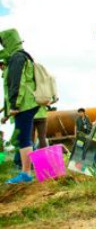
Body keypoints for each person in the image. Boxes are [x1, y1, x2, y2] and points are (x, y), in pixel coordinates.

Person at [0, 29, 40, 183]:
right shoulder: (20, 55)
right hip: (27, 103)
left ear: (9, 42)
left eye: (3, 42)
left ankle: (26, 173)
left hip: (24, 104)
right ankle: (38, 167)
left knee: (23, 138)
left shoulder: (17, 58)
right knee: (24, 137)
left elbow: (17, 83)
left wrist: (15, 104)